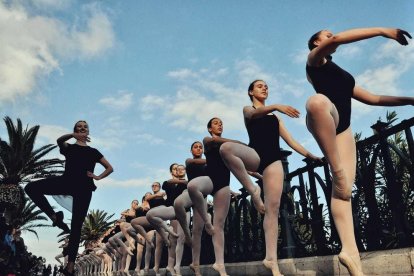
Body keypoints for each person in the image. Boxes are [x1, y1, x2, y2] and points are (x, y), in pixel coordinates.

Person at [305, 27, 412, 276]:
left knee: (343, 193)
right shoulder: (314, 61)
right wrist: (382, 31)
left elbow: (373, 99)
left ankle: (350, 254)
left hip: (343, 131)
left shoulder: (342, 75)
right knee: (316, 102)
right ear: (315, 43)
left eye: (332, 34)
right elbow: (340, 39)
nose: (333, 36)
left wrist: (410, 100)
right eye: (327, 35)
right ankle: (336, 167)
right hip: (324, 120)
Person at [219, 80, 320, 276]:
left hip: (273, 160)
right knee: (226, 148)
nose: (264, 87)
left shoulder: (275, 118)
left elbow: (290, 141)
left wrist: (310, 155)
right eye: (259, 86)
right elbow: (253, 114)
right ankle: (253, 189)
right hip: (255, 154)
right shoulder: (248, 109)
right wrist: (276, 106)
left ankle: (271, 260)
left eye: (266, 86)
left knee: (272, 210)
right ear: (251, 92)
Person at [24, 120, 114, 276]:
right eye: (79, 127)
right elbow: (59, 140)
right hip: (66, 182)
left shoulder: (93, 151)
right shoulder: (69, 148)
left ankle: (70, 267)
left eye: (85, 127)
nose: (82, 128)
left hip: (84, 188)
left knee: (76, 226)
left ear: (88, 131)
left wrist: (97, 177)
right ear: (75, 130)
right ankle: (54, 215)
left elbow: (110, 167)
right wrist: (73, 136)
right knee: (31, 188)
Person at [188, 117, 245, 276]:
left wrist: (254, 175)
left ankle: (220, 265)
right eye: (215, 123)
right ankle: (196, 262)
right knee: (197, 231)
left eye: (221, 122)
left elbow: (235, 166)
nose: (220, 124)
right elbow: (205, 163)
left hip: (221, 184)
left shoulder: (224, 150)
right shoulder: (207, 141)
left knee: (219, 226)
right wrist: (238, 143)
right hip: (204, 188)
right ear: (209, 128)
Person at [174, 141, 206, 276]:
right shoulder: (189, 161)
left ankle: (196, 265)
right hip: (191, 194)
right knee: (179, 203)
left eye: (200, 147)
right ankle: (186, 234)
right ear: (191, 150)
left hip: (202, 197)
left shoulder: (206, 164)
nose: (198, 149)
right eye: (196, 147)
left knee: (198, 232)